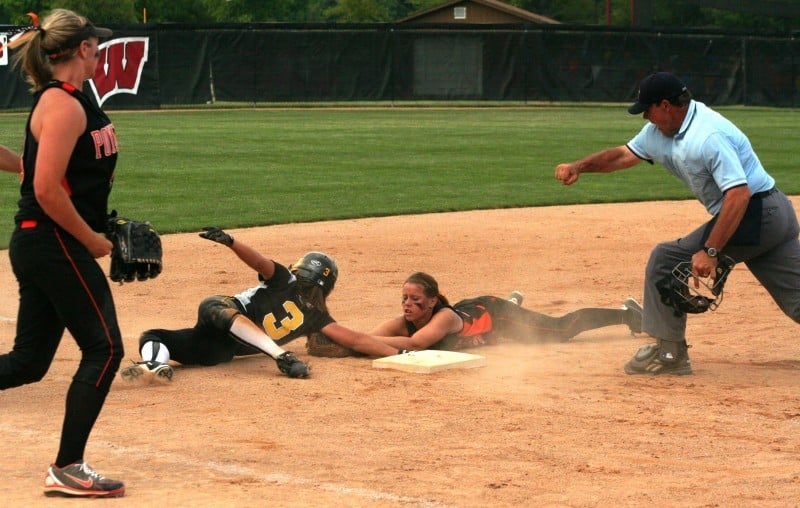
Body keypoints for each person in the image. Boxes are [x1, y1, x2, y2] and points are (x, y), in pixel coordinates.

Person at [555, 71, 800, 376]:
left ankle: (669, 352)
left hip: (756, 213)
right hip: (774, 214)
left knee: (665, 259)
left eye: (648, 109)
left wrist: (710, 251)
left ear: (667, 105)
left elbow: (738, 194)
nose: (645, 115)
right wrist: (580, 166)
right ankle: (669, 349)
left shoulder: (708, 135)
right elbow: (620, 156)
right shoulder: (659, 132)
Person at [0, 9, 126, 498]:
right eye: (98, 45)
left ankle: (68, 465)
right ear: (84, 49)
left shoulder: (74, 99)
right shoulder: (64, 105)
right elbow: (48, 191)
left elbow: (40, 171)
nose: (100, 51)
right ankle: (67, 467)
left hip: (45, 241)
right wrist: (92, 240)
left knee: (29, 362)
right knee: (106, 348)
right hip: (52, 240)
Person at [122, 226, 403, 382]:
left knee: (214, 306)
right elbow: (356, 340)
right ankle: (154, 365)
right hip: (223, 350)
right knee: (156, 336)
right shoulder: (318, 317)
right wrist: (400, 354)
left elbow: (258, 261)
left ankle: (281, 357)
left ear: (301, 269)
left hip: (223, 318)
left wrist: (231, 242)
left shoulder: (284, 279)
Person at [366, 272, 642, 351]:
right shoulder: (403, 321)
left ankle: (627, 313)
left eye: (415, 299)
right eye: (404, 298)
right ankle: (514, 302)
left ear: (431, 301)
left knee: (561, 330)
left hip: (498, 315)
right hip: (478, 315)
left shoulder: (444, 317)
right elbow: (364, 339)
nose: (407, 304)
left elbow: (414, 344)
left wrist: (364, 340)